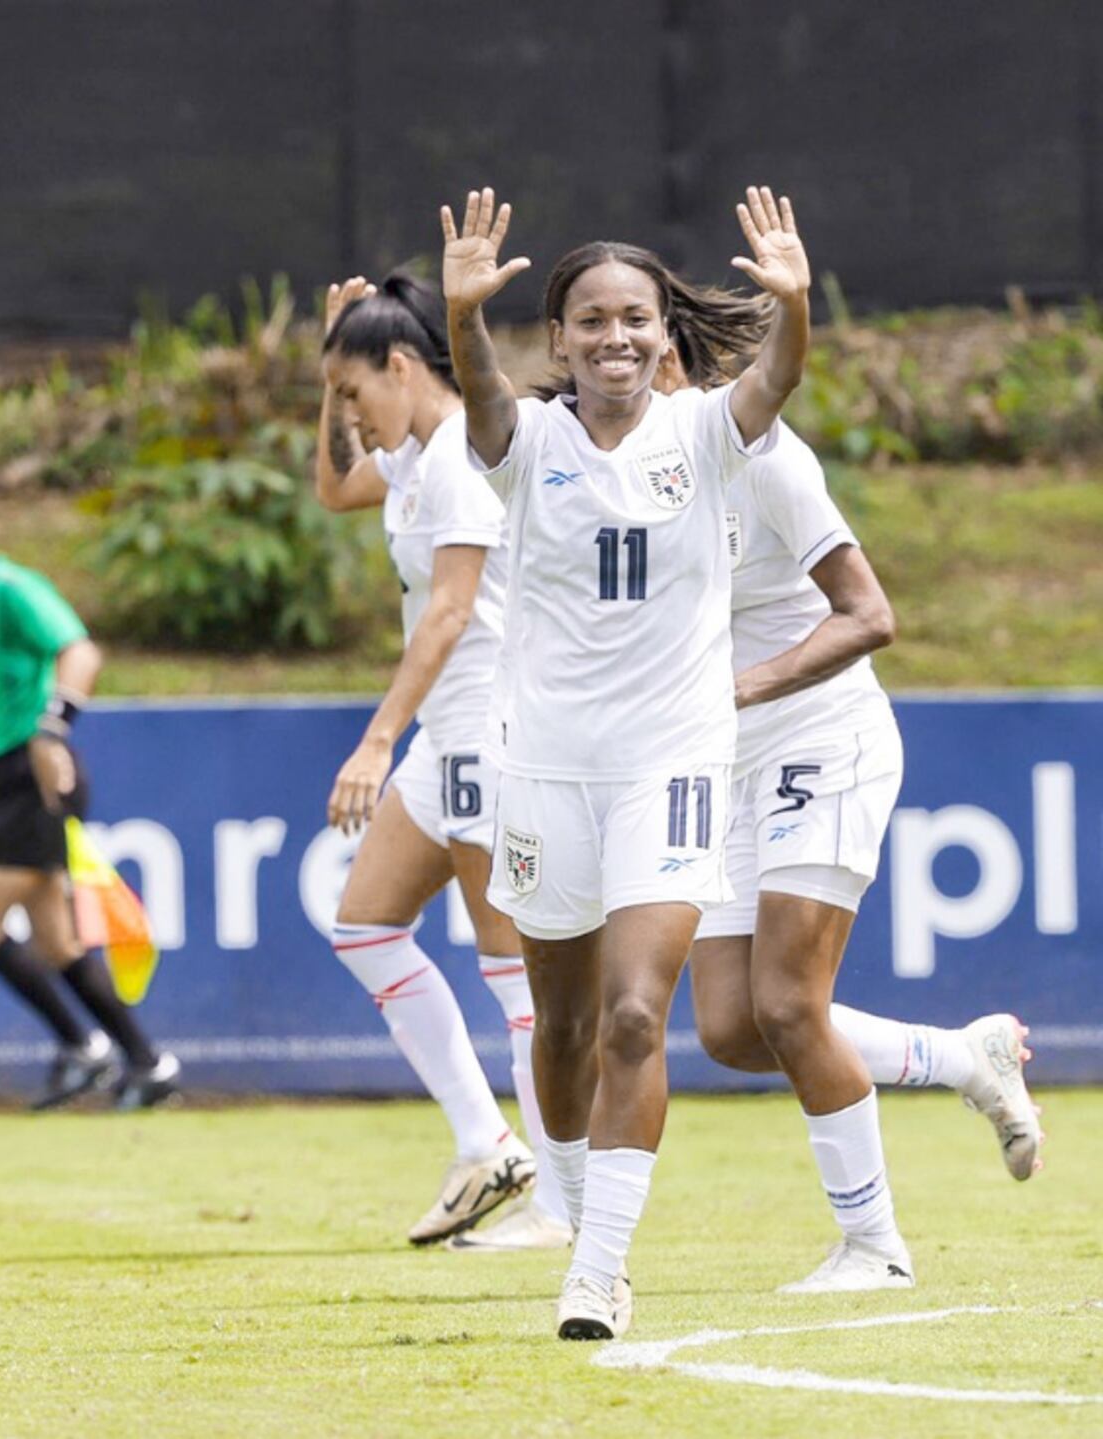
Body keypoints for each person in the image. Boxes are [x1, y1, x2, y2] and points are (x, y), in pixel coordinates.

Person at [440, 185, 810, 1338]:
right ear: (558, 338)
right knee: (560, 1028)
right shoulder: (527, 441)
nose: (617, 337)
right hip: (547, 771)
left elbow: (775, 382)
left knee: (638, 1016)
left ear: (664, 332)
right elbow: (485, 402)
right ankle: (568, 1201)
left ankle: (597, 1268)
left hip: (673, 763)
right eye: (592, 319)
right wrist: (461, 317)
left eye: (637, 318)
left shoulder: (703, 432)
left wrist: (794, 306)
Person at [649, 337, 1043, 1291]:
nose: (614, 367)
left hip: (822, 742)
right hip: (727, 765)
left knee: (789, 1003)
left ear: (673, 360)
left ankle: (875, 1245)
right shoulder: (627, 480)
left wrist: (747, 687)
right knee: (734, 1028)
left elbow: (870, 614)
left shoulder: (767, 459)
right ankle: (963, 1055)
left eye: (640, 342)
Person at [316, 272, 572, 1250]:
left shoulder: (465, 455)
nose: (349, 414)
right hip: (450, 735)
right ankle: (488, 1144)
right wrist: (327, 364)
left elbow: (453, 608)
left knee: (515, 973)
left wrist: (378, 737)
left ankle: (558, 1202)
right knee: (367, 927)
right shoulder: (416, 458)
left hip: (491, 733)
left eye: (355, 391)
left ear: (403, 365)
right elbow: (337, 485)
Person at [0, 485, 179, 1109]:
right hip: (5, 779)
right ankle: (145, 1061)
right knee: (57, 944)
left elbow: (79, 649)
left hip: (40, 776)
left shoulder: (13, 590)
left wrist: (53, 727)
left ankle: (89, 1048)